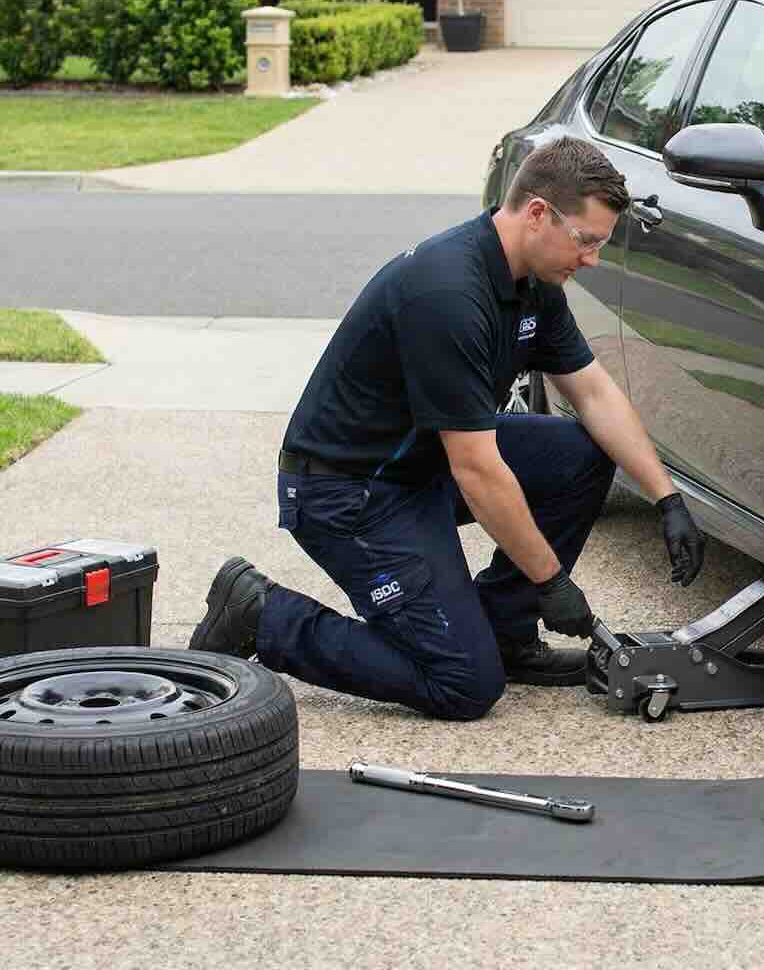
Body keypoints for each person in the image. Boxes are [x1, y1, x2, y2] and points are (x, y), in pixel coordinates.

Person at [189, 135, 706, 721]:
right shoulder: (450, 294)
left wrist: (667, 498)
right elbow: (480, 472)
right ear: (538, 213)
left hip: (422, 464)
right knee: (463, 683)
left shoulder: (532, 279)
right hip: (351, 494)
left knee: (582, 453)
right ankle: (263, 615)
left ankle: (505, 635)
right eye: (586, 241)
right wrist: (551, 581)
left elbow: (593, 392)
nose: (590, 260)